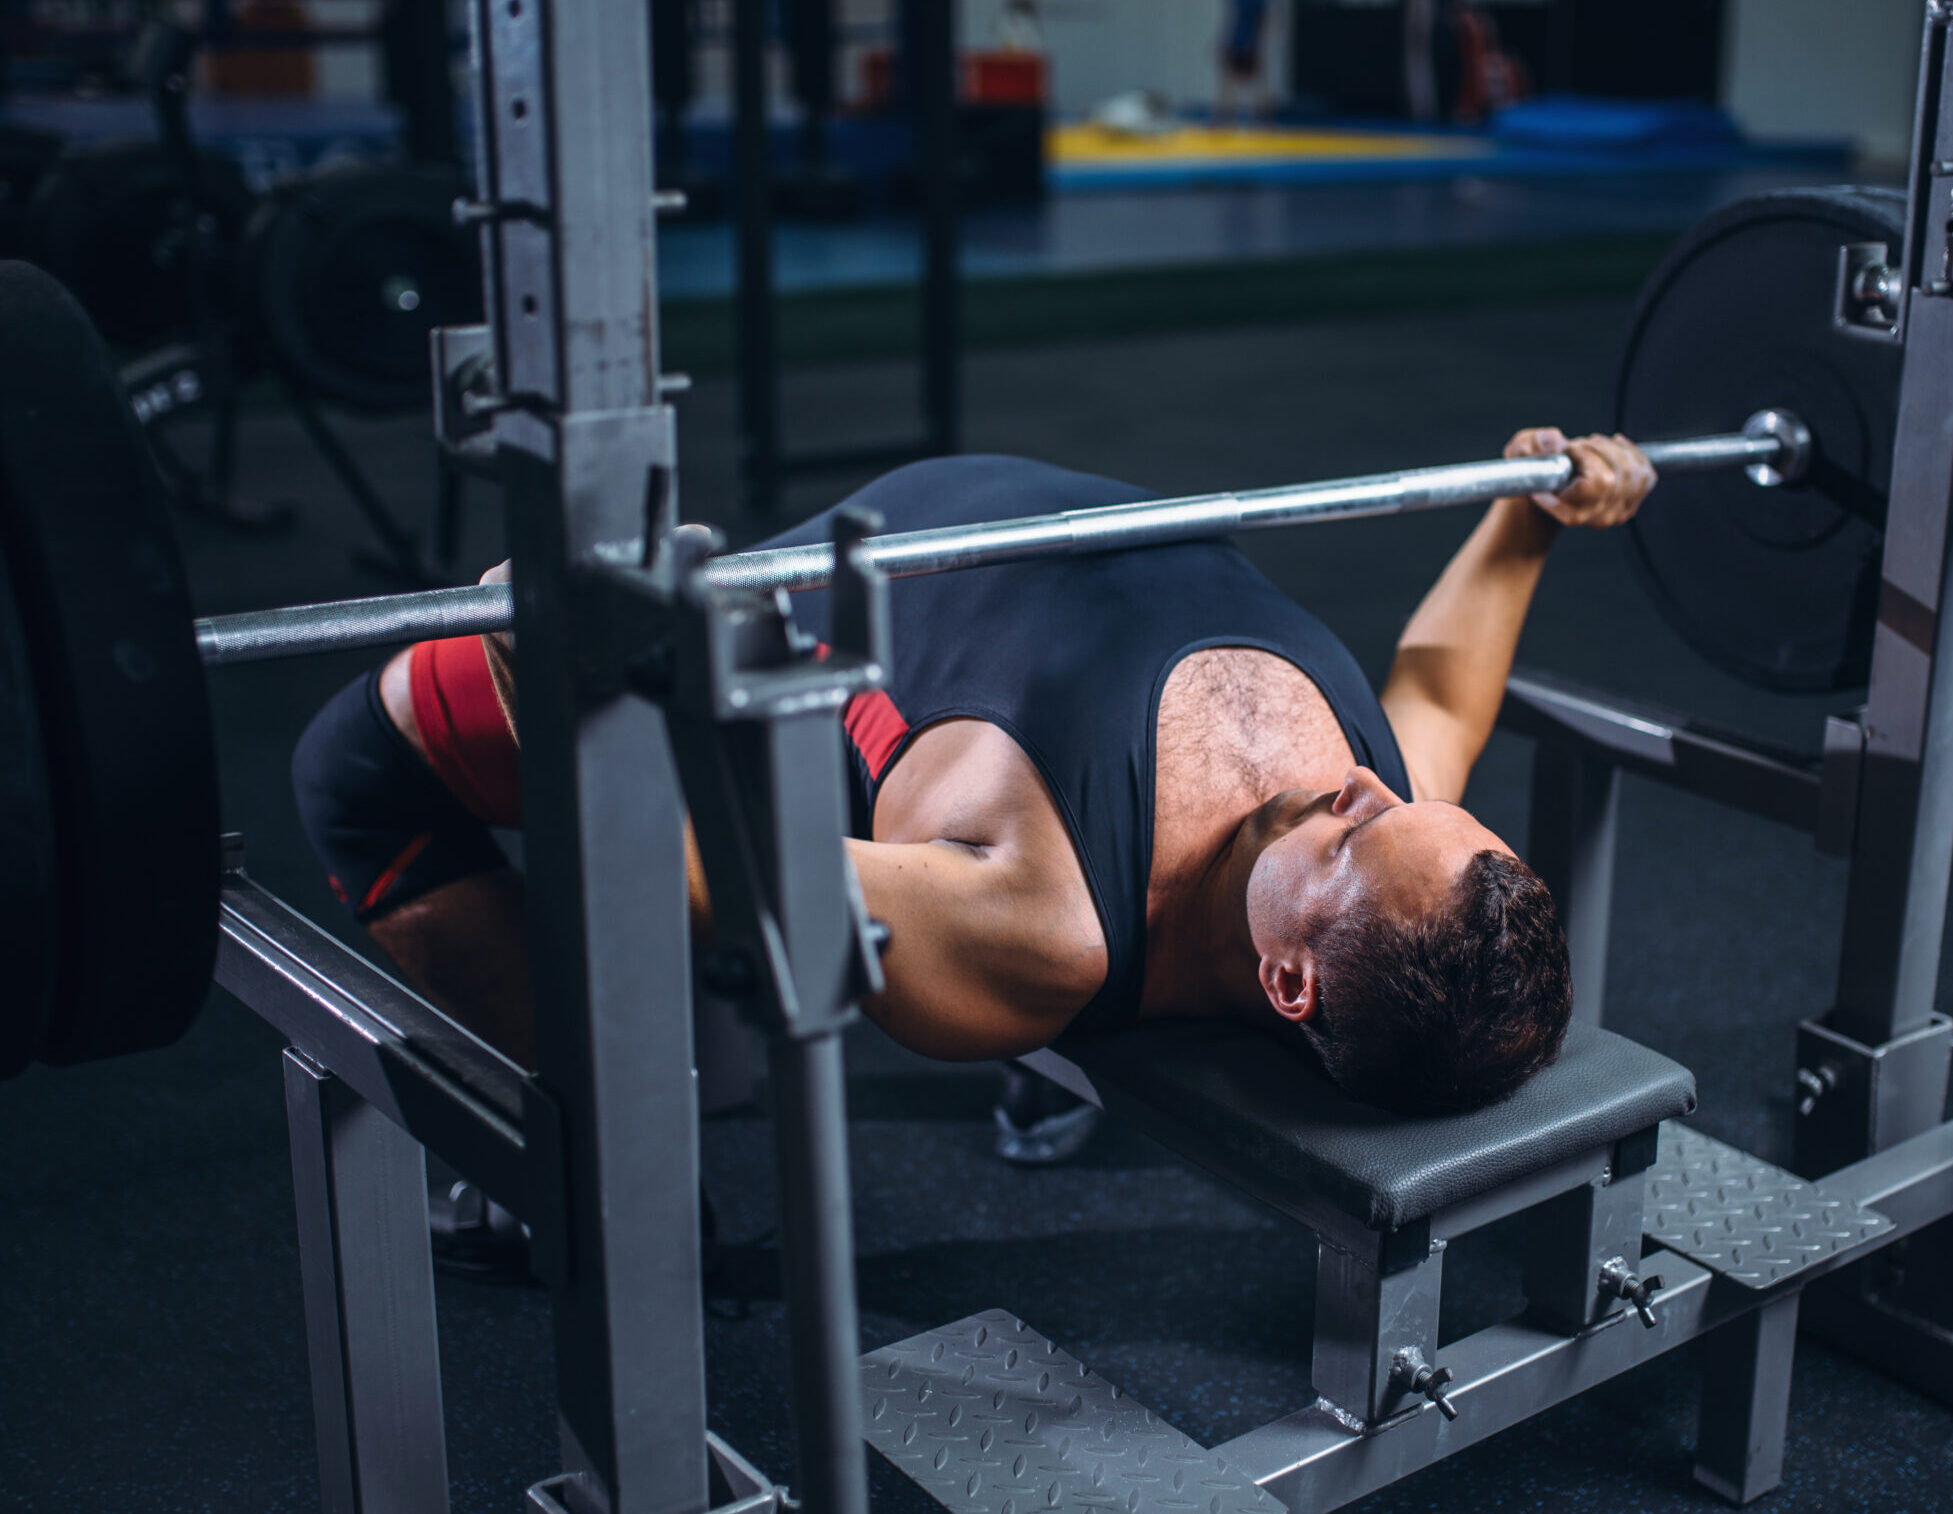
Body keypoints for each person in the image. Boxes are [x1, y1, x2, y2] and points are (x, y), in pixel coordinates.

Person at [293, 430, 1654, 1132]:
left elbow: (681, 854)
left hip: (797, 614)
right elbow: (1444, 693)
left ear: (1290, 979)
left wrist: (554, 677)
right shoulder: (1394, 817)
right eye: (1418, 802)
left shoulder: (1039, 932)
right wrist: (1529, 513)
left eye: (1366, 834)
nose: (1373, 785)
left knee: (349, 770)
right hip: (954, 515)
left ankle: (591, 1160)